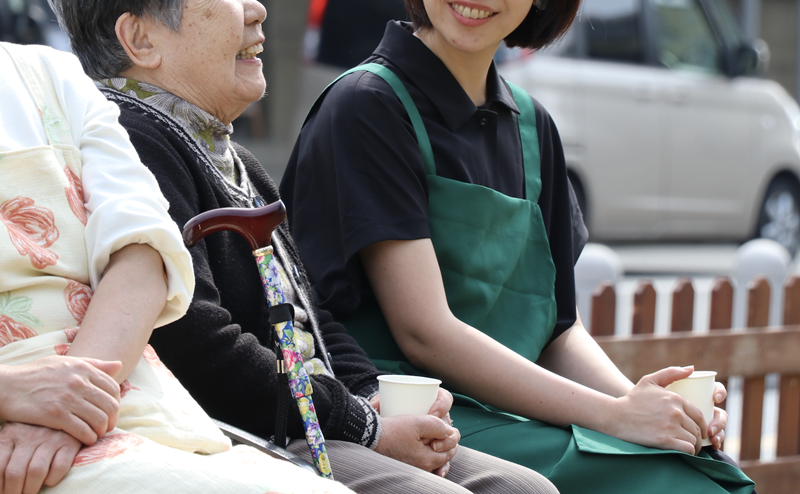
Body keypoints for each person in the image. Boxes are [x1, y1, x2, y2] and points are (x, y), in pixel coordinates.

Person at [48, 0, 559, 493]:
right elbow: (194, 341)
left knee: (521, 487)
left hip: (314, 417)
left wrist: (370, 396)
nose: (257, 10)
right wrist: (363, 424)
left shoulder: (232, 156)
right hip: (250, 434)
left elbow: (311, 317)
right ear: (140, 39)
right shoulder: (131, 142)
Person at [279, 1, 757, 493]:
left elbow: (558, 332)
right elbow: (426, 332)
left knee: (711, 474)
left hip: (528, 414)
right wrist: (617, 415)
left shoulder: (534, 125)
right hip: (422, 421)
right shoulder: (367, 104)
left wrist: (654, 410)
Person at [0, 40, 354, 494]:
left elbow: (144, 255)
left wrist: (71, 403)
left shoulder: (54, 75)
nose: (256, 13)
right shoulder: (148, 132)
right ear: (142, 39)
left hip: (126, 402)